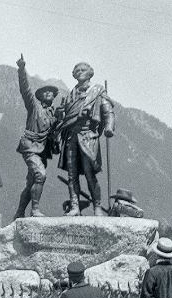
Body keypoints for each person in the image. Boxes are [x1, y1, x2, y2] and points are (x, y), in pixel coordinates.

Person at [56, 61, 115, 216]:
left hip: (88, 136)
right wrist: (61, 114)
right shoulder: (70, 94)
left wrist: (109, 127)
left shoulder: (97, 92)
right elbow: (66, 116)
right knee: (71, 174)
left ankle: (97, 207)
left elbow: (108, 111)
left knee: (90, 173)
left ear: (90, 73)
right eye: (77, 70)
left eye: (83, 70)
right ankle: (75, 206)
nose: (80, 72)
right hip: (71, 137)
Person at [13, 54, 60, 219]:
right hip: (30, 146)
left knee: (31, 183)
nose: (48, 93)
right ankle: (35, 210)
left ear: (54, 97)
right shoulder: (34, 107)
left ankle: (19, 213)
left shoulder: (54, 114)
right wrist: (21, 69)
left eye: (51, 92)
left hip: (41, 151)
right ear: (40, 96)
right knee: (40, 175)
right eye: (45, 91)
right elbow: (25, 89)